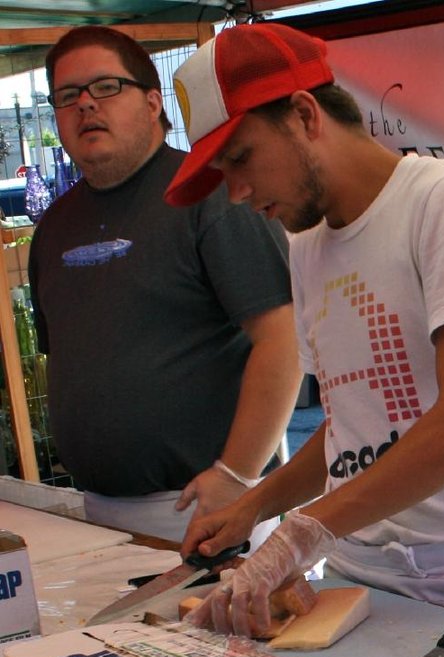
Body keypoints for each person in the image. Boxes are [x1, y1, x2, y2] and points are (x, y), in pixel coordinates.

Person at [169, 23, 444, 635]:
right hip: (355, 574)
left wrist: (302, 530)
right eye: (222, 172)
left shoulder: (443, 201)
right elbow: (354, 425)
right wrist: (254, 507)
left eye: (240, 158)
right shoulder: (305, 245)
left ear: (303, 114)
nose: (237, 193)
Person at [29, 26, 299, 543]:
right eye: (68, 96)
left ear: (153, 101)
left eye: (106, 87)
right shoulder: (53, 228)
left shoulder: (214, 196)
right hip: (95, 515)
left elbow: (284, 341)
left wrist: (236, 475)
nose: (86, 105)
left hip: (205, 508)